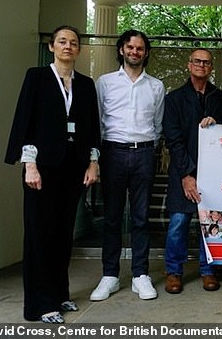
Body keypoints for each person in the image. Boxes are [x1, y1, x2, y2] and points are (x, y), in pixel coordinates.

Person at [5, 25, 100, 323]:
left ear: (79, 49)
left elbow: (92, 125)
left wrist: (93, 161)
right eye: (62, 41)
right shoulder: (37, 77)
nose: (68, 46)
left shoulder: (85, 84)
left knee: (62, 233)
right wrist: (28, 164)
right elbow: (25, 121)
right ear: (51, 47)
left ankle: (59, 294)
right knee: (39, 234)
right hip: (42, 168)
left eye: (73, 42)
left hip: (73, 168)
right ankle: (39, 304)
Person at [91, 29, 165, 302]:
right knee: (111, 217)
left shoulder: (156, 86)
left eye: (140, 48)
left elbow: (157, 126)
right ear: (122, 49)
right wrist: (96, 158)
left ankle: (140, 275)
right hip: (112, 152)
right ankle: (109, 275)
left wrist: (150, 149)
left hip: (144, 153)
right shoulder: (105, 82)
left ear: (146, 53)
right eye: (130, 47)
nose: (135, 52)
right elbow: (97, 121)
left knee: (141, 217)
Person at [162, 48, 222, 294]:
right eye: (197, 61)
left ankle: (208, 270)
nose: (202, 65)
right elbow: (173, 140)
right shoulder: (174, 98)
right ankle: (174, 271)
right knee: (179, 222)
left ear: (211, 68)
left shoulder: (219, 98)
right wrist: (187, 174)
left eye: (206, 62)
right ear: (189, 65)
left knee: (209, 223)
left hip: (214, 172)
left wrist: (216, 123)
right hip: (184, 171)